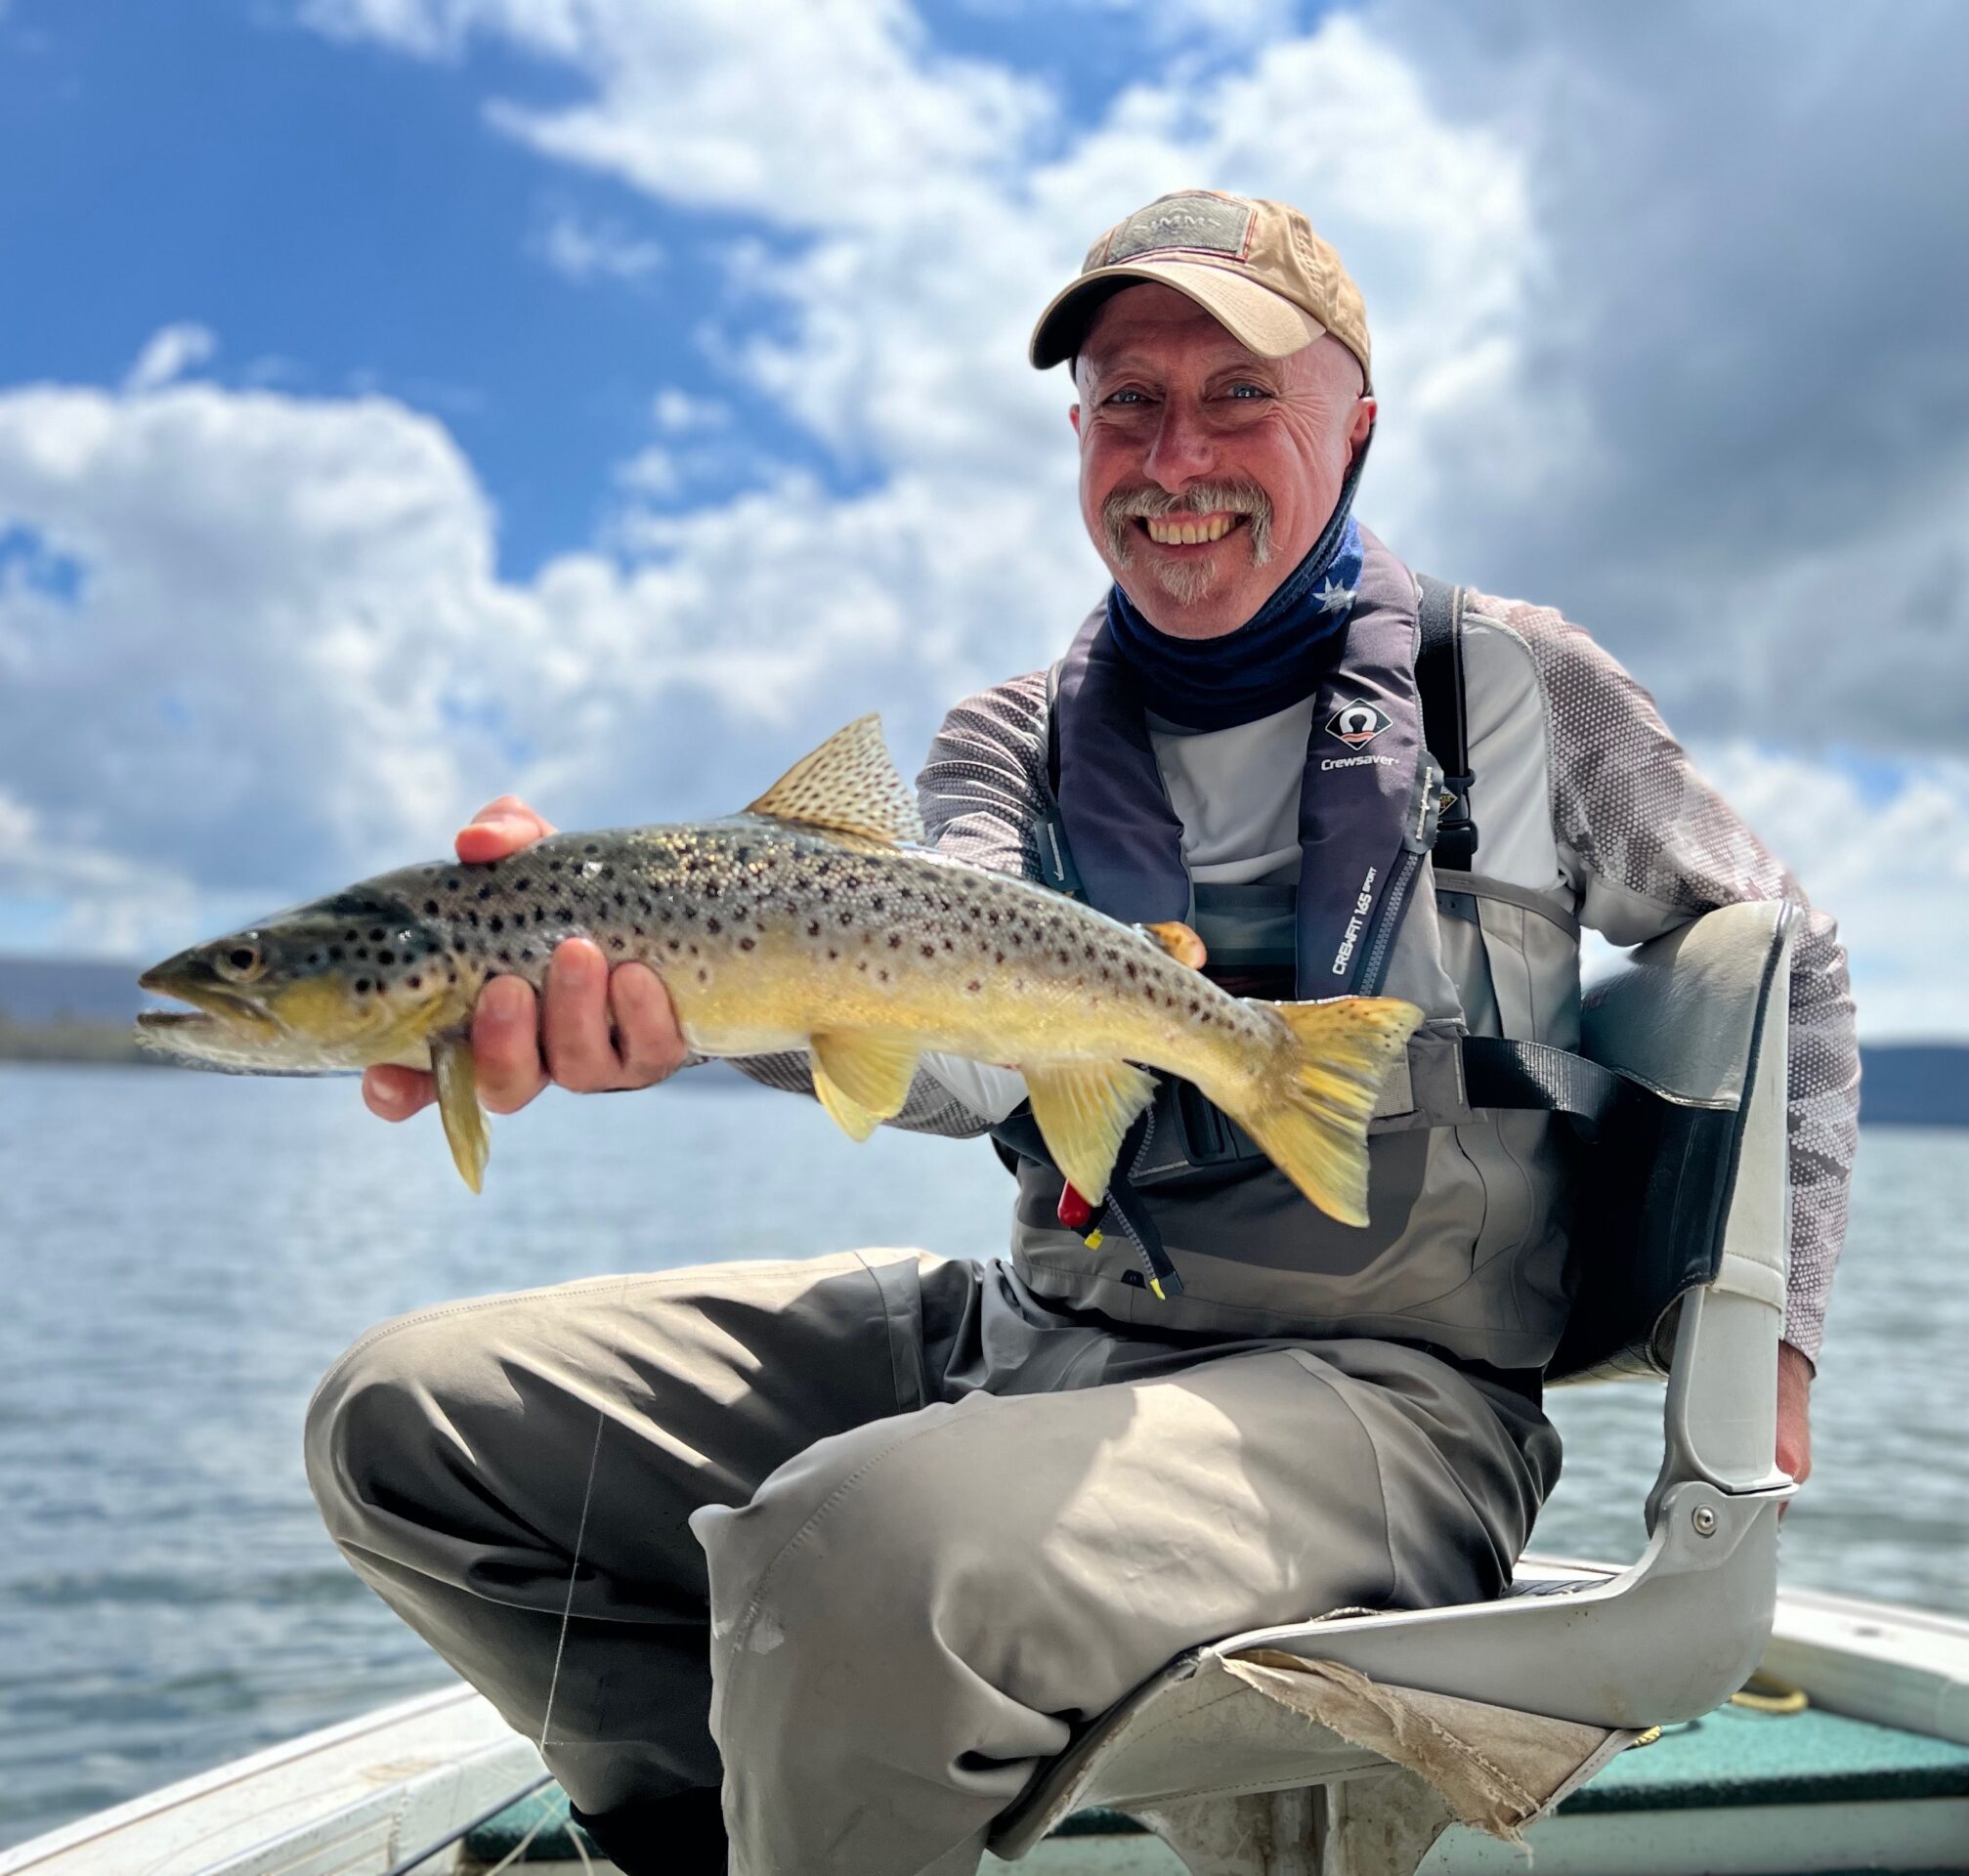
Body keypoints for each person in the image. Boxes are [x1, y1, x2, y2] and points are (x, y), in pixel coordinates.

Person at [308, 191, 1859, 1876]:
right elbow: (952, 1046)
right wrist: (693, 1012)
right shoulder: (1011, 742)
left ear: (1357, 426)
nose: (1173, 454)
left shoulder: (1516, 689)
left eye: (1239, 396)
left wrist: (1770, 1342)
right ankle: (738, 1831)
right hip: (1044, 1333)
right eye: (1127, 400)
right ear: (1075, 432)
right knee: (405, 1416)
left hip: (1390, 1406)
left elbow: (1791, 963)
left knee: (847, 1550)